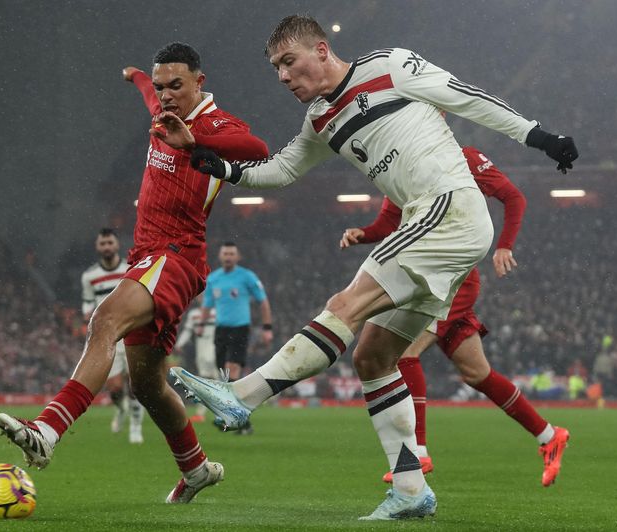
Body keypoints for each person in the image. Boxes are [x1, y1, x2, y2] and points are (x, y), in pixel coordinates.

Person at [171, 15, 577, 520]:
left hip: (447, 207)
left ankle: (242, 397)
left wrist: (540, 137)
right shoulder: (320, 119)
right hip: (435, 225)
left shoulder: (389, 66)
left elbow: (467, 98)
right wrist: (224, 168)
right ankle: (410, 491)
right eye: (276, 68)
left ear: (321, 50)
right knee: (374, 358)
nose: (282, 77)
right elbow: (284, 167)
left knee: (347, 304)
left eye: (289, 62)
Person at [0, 42, 269, 504]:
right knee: (146, 384)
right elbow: (149, 93)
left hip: (174, 256)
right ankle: (197, 468)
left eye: (176, 85)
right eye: (161, 87)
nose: (165, 95)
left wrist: (195, 142)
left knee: (105, 319)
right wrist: (140, 77)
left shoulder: (214, 125)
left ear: (200, 83)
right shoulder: (161, 112)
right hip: (148, 257)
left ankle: (47, 429)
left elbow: (257, 148)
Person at [340, 146, 569, 487]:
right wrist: (363, 234)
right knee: (477, 373)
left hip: (451, 279)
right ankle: (549, 435)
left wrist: (504, 244)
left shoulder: (463, 156)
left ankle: (417, 451)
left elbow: (513, 197)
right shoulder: (401, 162)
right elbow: (388, 222)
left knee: (403, 353)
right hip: (430, 275)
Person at [199, 241, 273, 434]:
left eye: (232, 253)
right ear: (220, 256)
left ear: (237, 257)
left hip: (240, 329)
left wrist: (267, 327)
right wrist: (201, 324)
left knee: (232, 372)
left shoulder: (247, 277)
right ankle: (239, 420)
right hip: (220, 330)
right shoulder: (213, 279)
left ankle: (235, 418)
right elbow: (207, 305)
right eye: (225, 253)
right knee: (224, 376)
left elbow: (263, 302)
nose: (228, 257)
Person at [81, 228, 145, 444]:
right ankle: (120, 409)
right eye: (103, 243)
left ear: (117, 245)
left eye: (110, 242)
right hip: (106, 336)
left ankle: (136, 427)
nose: (107, 247)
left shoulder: (130, 269)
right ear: (97, 247)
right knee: (115, 387)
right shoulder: (89, 276)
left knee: (136, 384)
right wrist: (87, 313)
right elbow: (87, 302)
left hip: (130, 331)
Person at [173, 295, 217, 423]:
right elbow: (187, 331)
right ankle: (204, 413)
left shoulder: (217, 312)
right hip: (201, 350)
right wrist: (180, 344)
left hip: (215, 348)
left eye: (205, 295)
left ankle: (207, 412)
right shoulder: (194, 314)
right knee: (209, 381)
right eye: (200, 296)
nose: (202, 298)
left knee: (211, 380)